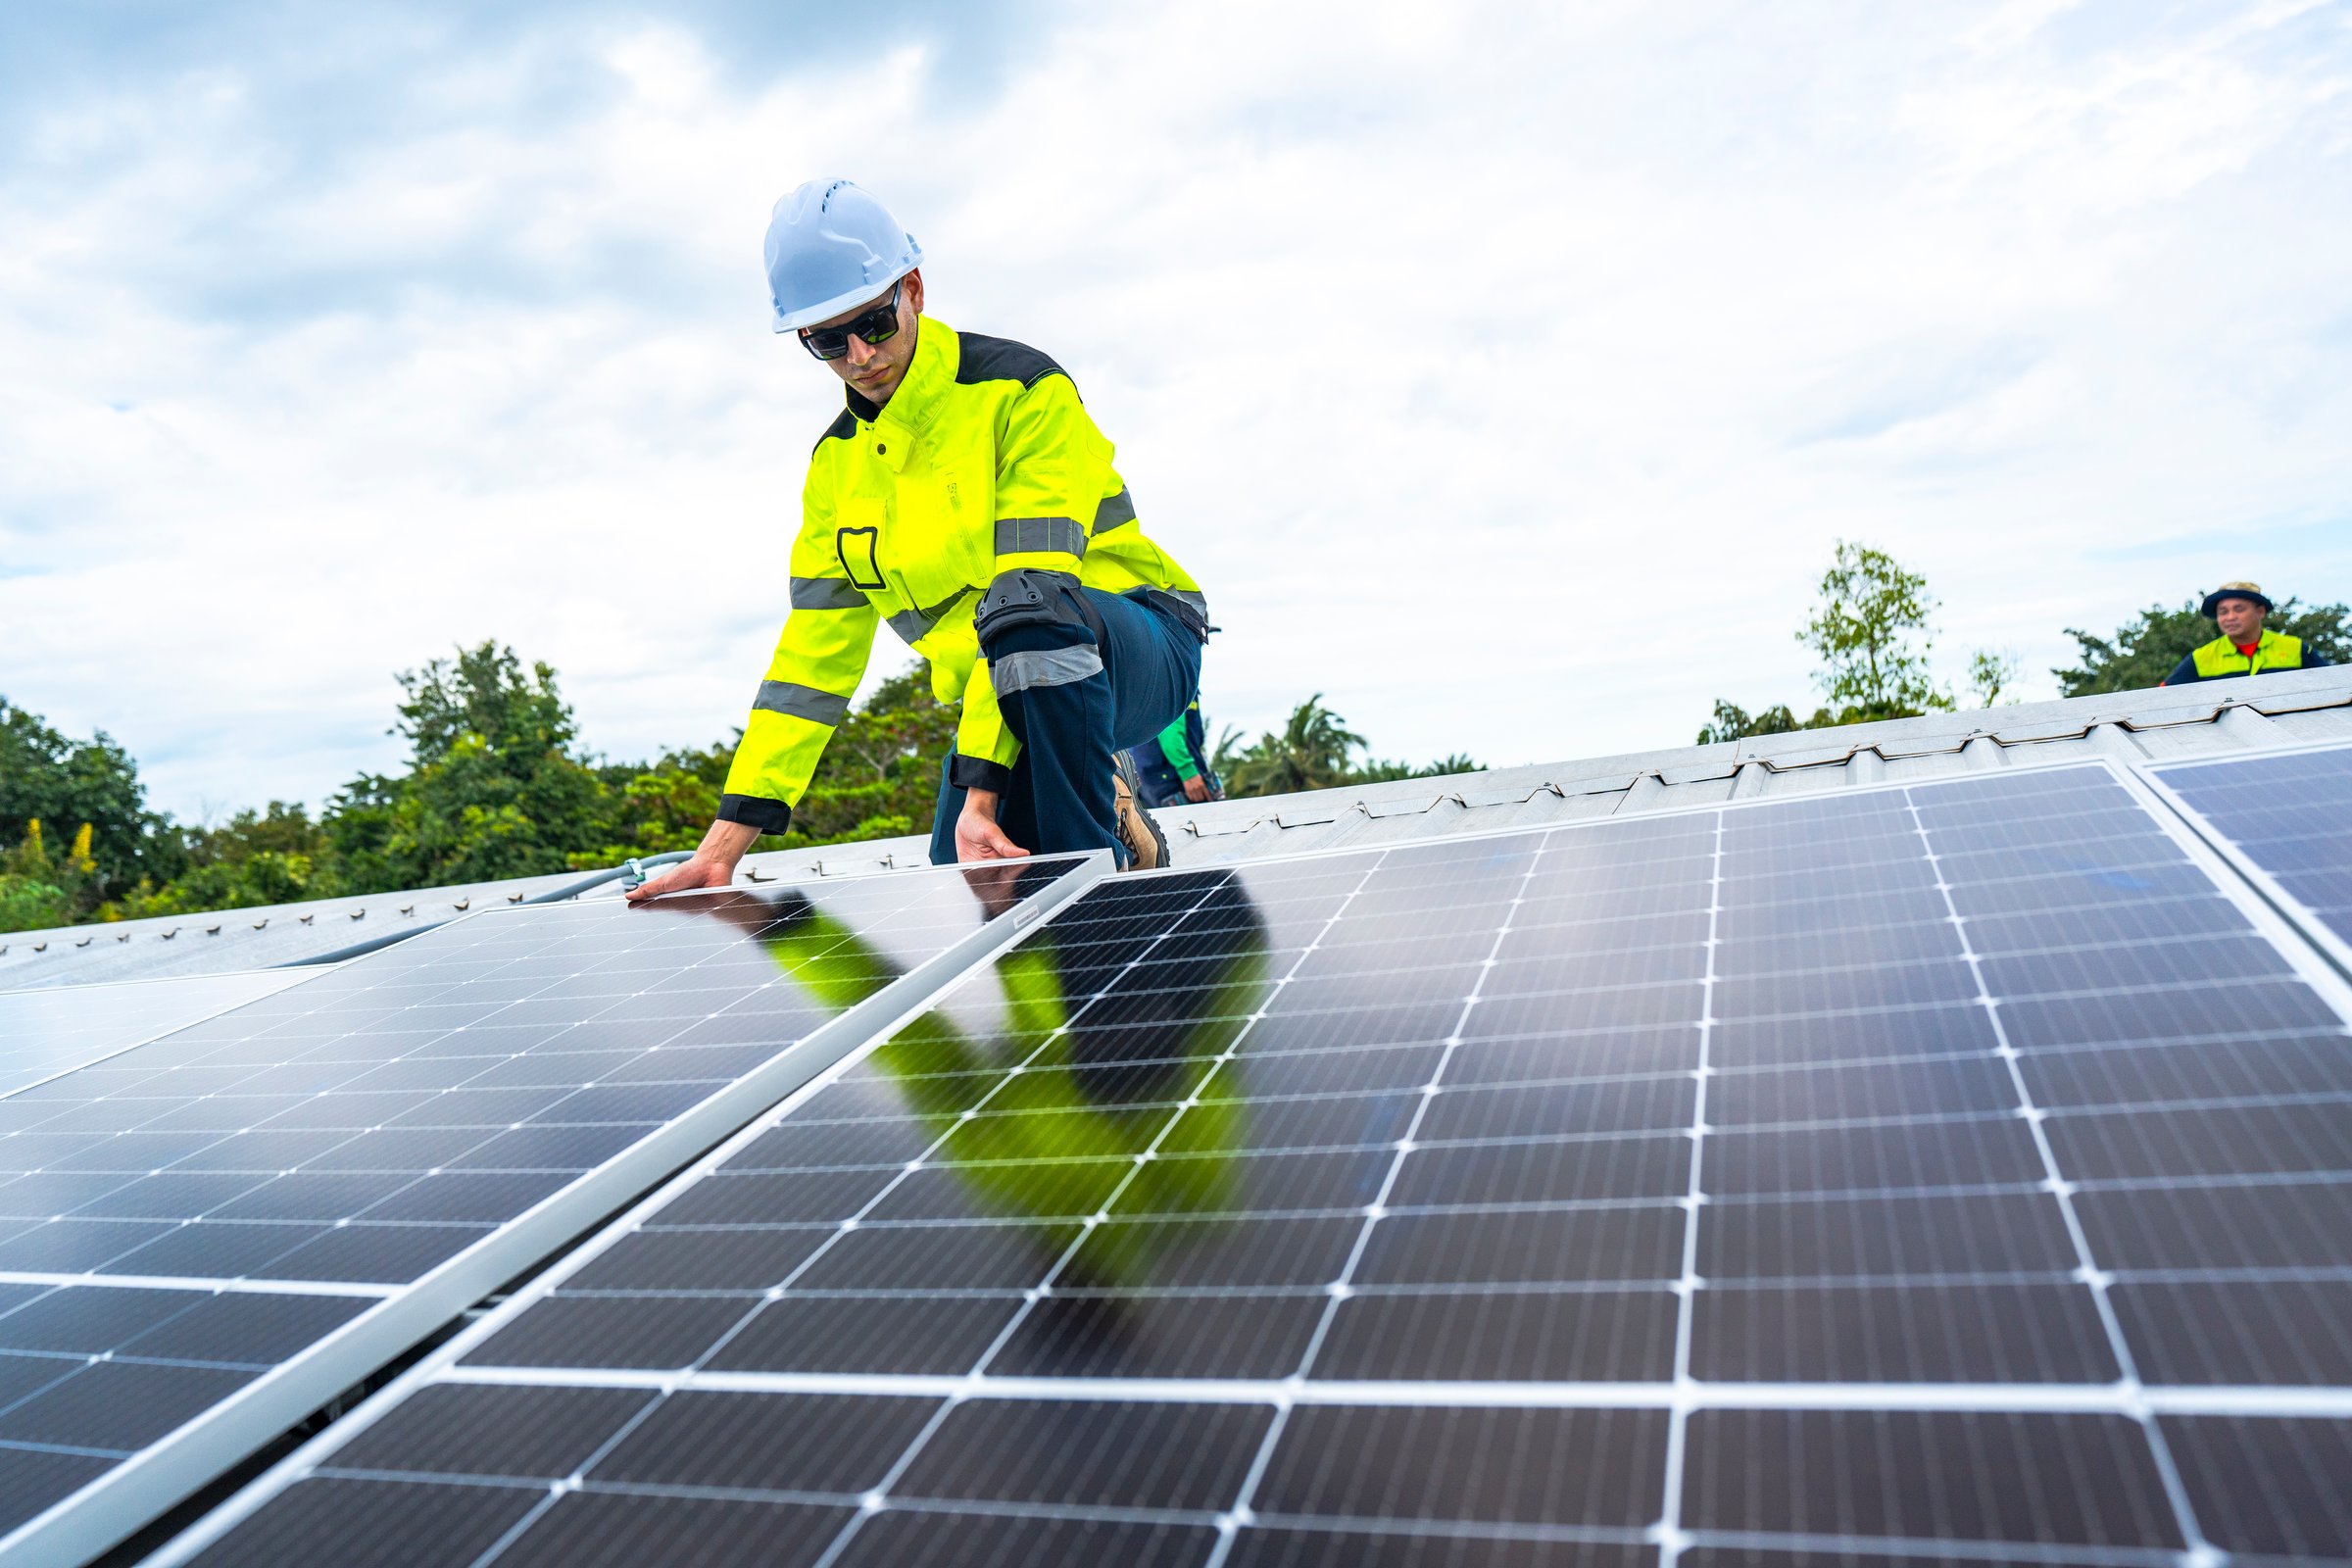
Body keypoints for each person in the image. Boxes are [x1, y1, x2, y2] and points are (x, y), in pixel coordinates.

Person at [628, 178, 1209, 906]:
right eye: (828, 342)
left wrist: (981, 788)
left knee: (1028, 636)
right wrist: (721, 850)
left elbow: (1035, 597)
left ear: (914, 289)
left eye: (873, 322)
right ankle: (1105, 815)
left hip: (1139, 642)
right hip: (1007, 690)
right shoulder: (833, 470)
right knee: (970, 873)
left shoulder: (1022, 390)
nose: (861, 355)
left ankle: (1097, 893)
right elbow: (809, 668)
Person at [2162, 582, 2330, 685]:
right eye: (2223, 611)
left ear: (2260, 611)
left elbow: (2335, 686)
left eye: (2239, 609)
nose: (2230, 617)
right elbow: (2163, 698)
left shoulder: (2296, 649)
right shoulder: (2201, 658)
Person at [1121, 699, 1222, 808]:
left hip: (1148, 777)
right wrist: (1188, 772)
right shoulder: (1179, 683)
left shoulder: (1144, 689)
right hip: (1173, 778)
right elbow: (1171, 734)